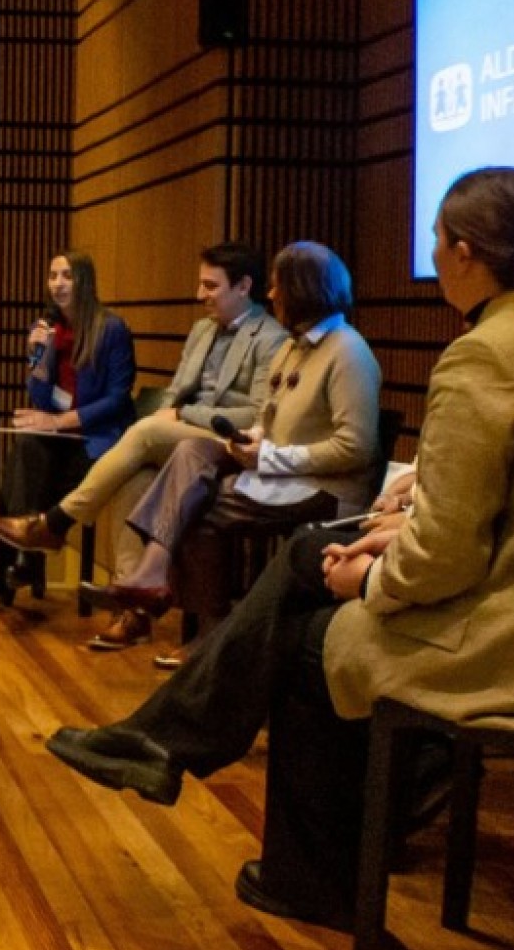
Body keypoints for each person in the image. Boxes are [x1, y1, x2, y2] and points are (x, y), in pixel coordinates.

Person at [46, 168, 514, 931]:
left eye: (433, 242)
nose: (431, 258)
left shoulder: (488, 353)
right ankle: (163, 742)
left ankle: (300, 871)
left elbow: (446, 557)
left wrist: (368, 582)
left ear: (463, 253)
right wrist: (385, 542)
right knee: (307, 567)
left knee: (307, 644)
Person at [81, 242, 381, 648]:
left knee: (196, 506)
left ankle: (204, 630)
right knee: (192, 452)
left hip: (325, 490)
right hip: (281, 474)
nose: (271, 295)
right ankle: (191, 615)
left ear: (304, 290)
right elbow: (268, 420)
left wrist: (271, 455)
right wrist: (253, 440)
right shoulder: (295, 348)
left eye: (278, 287)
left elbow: (355, 448)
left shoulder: (348, 352)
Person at [0, 243, 288, 597]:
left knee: (144, 430)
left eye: (210, 286)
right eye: (52, 276)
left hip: (225, 441)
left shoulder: (270, 338)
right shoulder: (203, 330)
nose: (199, 294)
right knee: (129, 478)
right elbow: (176, 392)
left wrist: (182, 413)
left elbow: (257, 413)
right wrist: (40, 358)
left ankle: (54, 523)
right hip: (178, 437)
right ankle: (132, 597)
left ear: (244, 286)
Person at [0, 251, 136, 609]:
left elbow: (119, 398)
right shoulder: (46, 328)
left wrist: (59, 422)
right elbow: (41, 397)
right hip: (58, 439)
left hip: (95, 439)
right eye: (53, 276)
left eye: (67, 276)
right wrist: (39, 359)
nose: (58, 284)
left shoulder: (111, 329)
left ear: (84, 281)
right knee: (24, 450)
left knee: (19, 476)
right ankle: (24, 558)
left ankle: (1, 574)